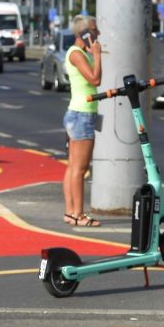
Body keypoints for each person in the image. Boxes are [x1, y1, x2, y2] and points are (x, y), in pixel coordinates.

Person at [62, 14, 102, 228]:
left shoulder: (76, 53)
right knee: (80, 168)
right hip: (82, 114)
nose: (98, 34)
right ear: (84, 34)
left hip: (77, 113)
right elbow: (95, 79)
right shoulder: (77, 54)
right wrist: (97, 55)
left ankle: (70, 212)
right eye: (94, 31)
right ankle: (78, 213)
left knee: (73, 167)